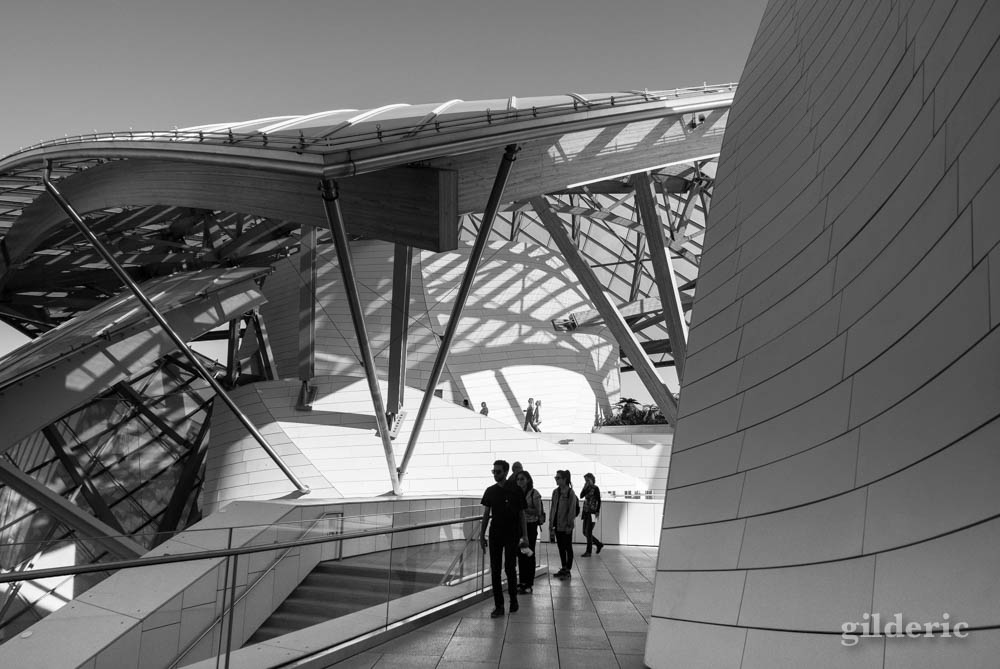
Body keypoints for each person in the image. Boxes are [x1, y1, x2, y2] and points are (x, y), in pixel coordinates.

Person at [480, 460, 528, 617]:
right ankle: (499, 605)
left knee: (509, 567)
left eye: (498, 472)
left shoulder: (516, 490)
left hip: (512, 534)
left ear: (506, 472)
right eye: (494, 471)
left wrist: (525, 535)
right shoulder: (490, 491)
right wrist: (482, 535)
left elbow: (522, 514)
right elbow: (486, 514)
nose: (495, 474)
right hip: (495, 534)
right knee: (495, 570)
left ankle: (513, 600)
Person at [515, 470, 544, 594]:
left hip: (530, 526)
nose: (520, 481)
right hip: (519, 527)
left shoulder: (534, 493)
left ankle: (529, 583)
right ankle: (522, 581)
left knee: (529, 553)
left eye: (522, 479)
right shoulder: (516, 493)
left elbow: (538, 511)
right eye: (518, 479)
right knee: (521, 553)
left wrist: (524, 509)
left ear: (528, 480)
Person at [549, 469, 579, 579]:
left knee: (567, 547)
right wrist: (550, 524)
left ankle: (568, 570)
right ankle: (563, 567)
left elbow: (571, 510)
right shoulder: (555, 492)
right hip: (557, 524)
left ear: (564, 479)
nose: (556, 480)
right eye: (555, 478)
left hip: (566, 525)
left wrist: (569, 525)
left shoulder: (570, 493)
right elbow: (553, 508)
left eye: (558, 478)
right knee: (561, 547)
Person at [580, 472, 605, 556]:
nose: (586, 481)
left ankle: (588, 551)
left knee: (589, 531)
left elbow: (599, 501)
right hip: (586, 512)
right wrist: (584, 488)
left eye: (588, 480)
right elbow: (581, 496)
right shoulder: (586, 488)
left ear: (592, 479)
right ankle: (598, 544)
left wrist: (597, 512)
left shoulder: (596, 488)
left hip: (594, 513)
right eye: (585, 480)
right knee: (584, 532)